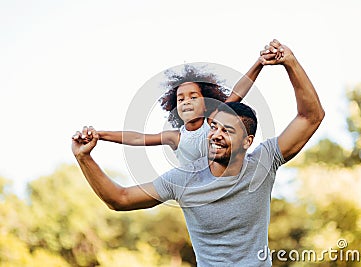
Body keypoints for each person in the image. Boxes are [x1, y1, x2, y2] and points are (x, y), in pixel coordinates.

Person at [72, 39, 325, 266]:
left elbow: (311, 116)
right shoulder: (182, 178)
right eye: (214, 126)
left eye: (227, 130)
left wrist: (288, 62)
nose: (215, 134)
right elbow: (120, 198)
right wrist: (85, 156)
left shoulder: (263, 162)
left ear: (247, 142)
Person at [94, 49, 280, 166]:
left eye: (193, 97)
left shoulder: (213, 122)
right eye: (180, 99)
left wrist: (259, 63)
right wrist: (100, 135)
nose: (186, 102)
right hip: (197, 193)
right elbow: (136, 138)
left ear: (207, 102)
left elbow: (238, 93)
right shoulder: (176, 137)